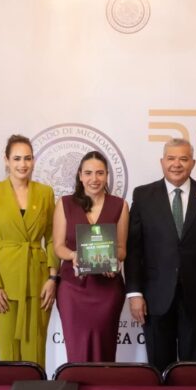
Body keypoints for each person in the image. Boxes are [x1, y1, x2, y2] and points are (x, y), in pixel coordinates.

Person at [125, 138, 196, 373]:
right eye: (171, 158)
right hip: (154, 298)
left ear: (193, 163)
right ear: (162, 162)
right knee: (158, 368)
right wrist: (135, 293)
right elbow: (134, 249)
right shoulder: (143, 195)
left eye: (183, 159)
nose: (176, 164)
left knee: (193, 369)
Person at [0, 134, 59, 367]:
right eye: (17, 158)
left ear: (34, 160)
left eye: (28, 158)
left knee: (36, 349)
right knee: (7, 350)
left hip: (38, 281)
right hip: (2, 282)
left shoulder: (45, 192)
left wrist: (53, 278)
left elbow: (52, 238)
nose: (23, 164)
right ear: (6, 160)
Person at [53, 151, 129, 362]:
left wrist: (110, 260)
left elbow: (122, 249)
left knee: (105, 351)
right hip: (72, 288)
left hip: (107, 290)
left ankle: (103, 385)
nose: (94, 179)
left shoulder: (120, 205)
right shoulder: (64, 203)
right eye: (88, 173)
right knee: (76, 352)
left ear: (107, 176)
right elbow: (58, 246)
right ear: (80, 175)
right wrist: (73, 255)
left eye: (99, 173)